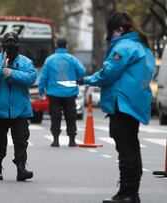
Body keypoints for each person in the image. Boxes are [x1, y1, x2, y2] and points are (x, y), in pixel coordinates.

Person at [77, 11, 154, 203]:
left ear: (119, 28)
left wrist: (86, 79)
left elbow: (108, 73)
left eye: (111, 32)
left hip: (122, 103)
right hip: (135, 103)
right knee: (132, 148)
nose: (110, 37)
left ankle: (126, 194)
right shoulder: (143, 47)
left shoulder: (124, 47)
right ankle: (132, 193)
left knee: (125, 149)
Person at [0, 32, 36, 181]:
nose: (10, 48)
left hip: (20, 111)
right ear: (3, 46)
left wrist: (12, 73)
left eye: (14, 44)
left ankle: (21, 168)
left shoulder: (26, 62)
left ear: (19, 46)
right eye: (7, 44)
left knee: (21, 141)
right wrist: (0, 70)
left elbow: (31, 78)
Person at [38, 38, 86, 147]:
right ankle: (72, 140)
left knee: (55, 116)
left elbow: (44, 76)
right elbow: (82, 71)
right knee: (71, 116)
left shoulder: (49, 60)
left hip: (54, 93)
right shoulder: (72, 59)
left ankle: (55, 140)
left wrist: (41, 90)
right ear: (66, 46)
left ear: (56, 45)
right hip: (70, 92)